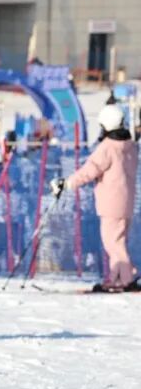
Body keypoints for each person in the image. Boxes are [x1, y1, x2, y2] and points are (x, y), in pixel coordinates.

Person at [53, 105, 139, 292]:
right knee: (119, 241)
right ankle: (117, 278)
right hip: (127, 202)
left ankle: (127, 278)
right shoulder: (131, 146)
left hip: (111, 202)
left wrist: (67, 183)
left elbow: (90, 170)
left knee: (112, 243)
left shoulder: (108, 147)